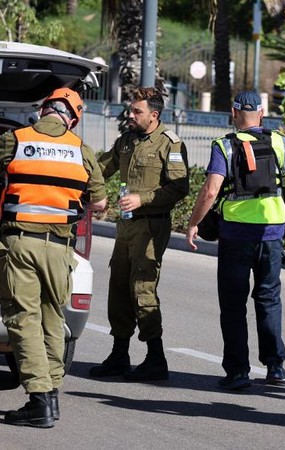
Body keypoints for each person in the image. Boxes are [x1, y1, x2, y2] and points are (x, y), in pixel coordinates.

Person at [0, 87, 107, 427]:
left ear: (44, 109)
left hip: (20, 245)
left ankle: (40, 400)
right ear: (72, 118)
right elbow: (100, 203)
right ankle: (52, 394)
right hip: (59, 249)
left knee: (22, 319)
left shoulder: (16, 139)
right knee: (51, 319)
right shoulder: (81, 150)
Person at [185, 91, 285, 390]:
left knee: (234, 304)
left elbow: (211, 191)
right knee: (269, 298)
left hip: (235, 234)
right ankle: (275, 366)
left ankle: (238, 372)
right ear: (262, 113)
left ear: (234, 113)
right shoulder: (283, 142)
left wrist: (193, 223)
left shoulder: (225, 146)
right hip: (272, 234)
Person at [91, 87, 190, 381]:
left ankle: (155, 358)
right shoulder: (126, 140)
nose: (130, 115)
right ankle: (119, 354)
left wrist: (142, 198)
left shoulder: (169, 145)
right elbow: (100, 168)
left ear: (154, 114)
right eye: (130, 110)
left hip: (151, 225)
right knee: (119, 287)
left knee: (142, 288)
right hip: (126, 225)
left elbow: (179, 188)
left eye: (137, 111)